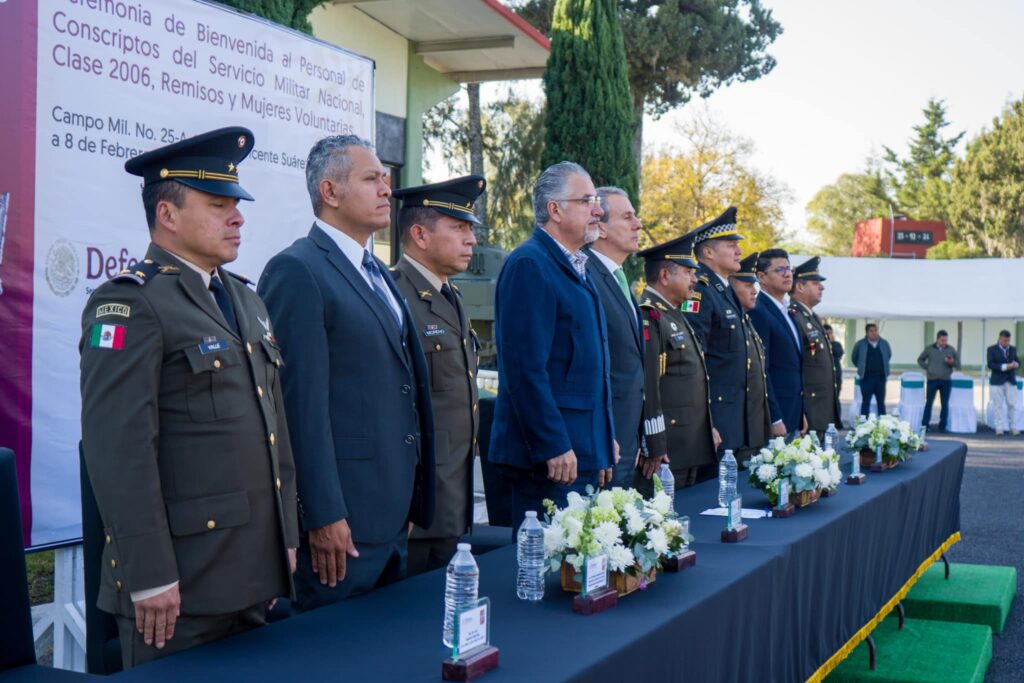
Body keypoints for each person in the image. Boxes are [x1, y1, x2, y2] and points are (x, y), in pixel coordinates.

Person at [79, 127, 298, 668]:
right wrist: (150, 575)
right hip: (178, 589)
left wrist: (281, 544)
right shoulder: (130, 304)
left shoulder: (246, 300)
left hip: (249, 576)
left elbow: (275, 431)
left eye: (237, 204)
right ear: (167, 214)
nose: (238, 216)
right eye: (218, 204)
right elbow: (118, 452)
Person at [258, 136, 435, 610]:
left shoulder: (376, 272)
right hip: (343, 524)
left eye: (385, 177)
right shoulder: (298, 269)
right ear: (330, 192)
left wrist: (411, 497)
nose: (386, 188)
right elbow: (300, 407)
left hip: (391, 514)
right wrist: (322, 514)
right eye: (372, 178)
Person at [489, 161, 616, 526]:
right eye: (587, 200)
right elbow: (524, 370)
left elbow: (582, 368)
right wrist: (553, 445)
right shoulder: (531, 264)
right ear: (554, 210)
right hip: (550, 463)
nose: (598, 210)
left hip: (582, 452)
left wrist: (603, 437)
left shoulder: (577, 265)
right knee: (544, 572)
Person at [388, 176, 482, 576]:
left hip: (452, 501)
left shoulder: (450, 296)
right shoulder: (395, 295)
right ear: (420, 236)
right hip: (416, 510)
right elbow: (394, 409)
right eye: (458, 229)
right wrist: (407, 502)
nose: (471, 240)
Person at [635, 232, 721, 492]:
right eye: (687, 271)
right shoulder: (650, 316)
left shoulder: (674, 314)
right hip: (668, 451)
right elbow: (650, 387)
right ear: (664, 276)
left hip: (689, 446)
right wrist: (654, 443)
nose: (695, 278)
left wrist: (709, 429)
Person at [586, 186, 644, 488]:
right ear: (602, 228)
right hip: (604, 440)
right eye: (627, 217)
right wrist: (601, 435)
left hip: (625, 437)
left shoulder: (619, 279)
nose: (638, 224)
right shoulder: (588, 277)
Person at [686, 207, 748, 457]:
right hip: (715, 419)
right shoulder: (700, 290)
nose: (739, 250)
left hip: (732, 416)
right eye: (731, 244)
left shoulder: (723, 289)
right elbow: (695, 359)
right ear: (709, 252)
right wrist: (706, 421)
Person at [748, 248, 805, 438]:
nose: (788, 274)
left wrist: (801, 412)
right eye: (780, 270)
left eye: (790, 269)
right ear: (761, 277)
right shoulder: (758, 310)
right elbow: (762, 370)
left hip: (792, 412)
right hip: (776, 418)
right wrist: (774, 418)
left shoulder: (785, 310)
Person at [789, 257, 842, 435]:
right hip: (810, 412)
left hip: (821, 411)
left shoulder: (811, 317)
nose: (822, 287)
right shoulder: (794, 316)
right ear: (800, 286)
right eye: (815, 283)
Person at [729, 253, 772, 463]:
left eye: (754, 284)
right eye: (747, 284)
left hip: (752, 428)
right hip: (733, 429)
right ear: (730, 285)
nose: (754, 290)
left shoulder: (745, 320)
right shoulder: (735, 319)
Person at [917, 330, 959, 432]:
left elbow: (958, 364)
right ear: (937, 339)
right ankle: (925, 425)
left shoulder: (951, 349)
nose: (944, 342)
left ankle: (943, 426)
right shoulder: (929, 348)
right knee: (929, 403)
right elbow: (920, 360)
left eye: (946, 340)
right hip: (932, 379)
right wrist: (928, 367)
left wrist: (951, 362)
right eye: (942, 340)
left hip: (945, 380)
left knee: (945, 404)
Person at [851, 323, 892, 417]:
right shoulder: (860, 344)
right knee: (866, 402)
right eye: (871, 331)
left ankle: (883, 425)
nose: (874, 333)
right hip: (866, 378)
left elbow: (888, 355)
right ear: (866, 333)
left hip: (880, 378)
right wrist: (861, 367)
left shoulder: (884, 343)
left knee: (881, 403)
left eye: (875, 330)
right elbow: (854, 357)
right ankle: (864, 425)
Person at [987, 330, 1020, 436]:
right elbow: (991, 364)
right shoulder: (991, 349)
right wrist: (1005, 367)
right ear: (1000, 339)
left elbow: (1018, 361)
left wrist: (1016, 364)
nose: (1007, 343)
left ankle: (1013, 427)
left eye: (1009, 340)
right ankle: (999, 427)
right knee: (998, 405)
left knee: (1012, 405)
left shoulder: (1013, 349)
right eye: (1005, 340)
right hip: (997, 381)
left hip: (1010, 381)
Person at [823, 324, 844, 395]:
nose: (829, 335)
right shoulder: (821, 344)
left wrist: (831, 343)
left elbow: (839, 353)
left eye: (831, 333)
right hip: (824, 376)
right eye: (827, 334)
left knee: (836, 398)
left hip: (836, 376)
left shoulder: (836, 344)